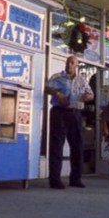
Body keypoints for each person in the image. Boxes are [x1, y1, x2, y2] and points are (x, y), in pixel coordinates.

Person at [45, 55, 94, 189]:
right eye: (68, 62)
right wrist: (57, 93)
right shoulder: (57, 77)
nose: (69, 65)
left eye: (72, 63)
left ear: (77, 65)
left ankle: (75, 179)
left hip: (75, 114)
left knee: (77, 146)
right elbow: (46, 88)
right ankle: (55, 180)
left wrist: (87, 97)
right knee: (57, 146)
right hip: (59, 113)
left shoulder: (82, 80)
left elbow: (91, 94)